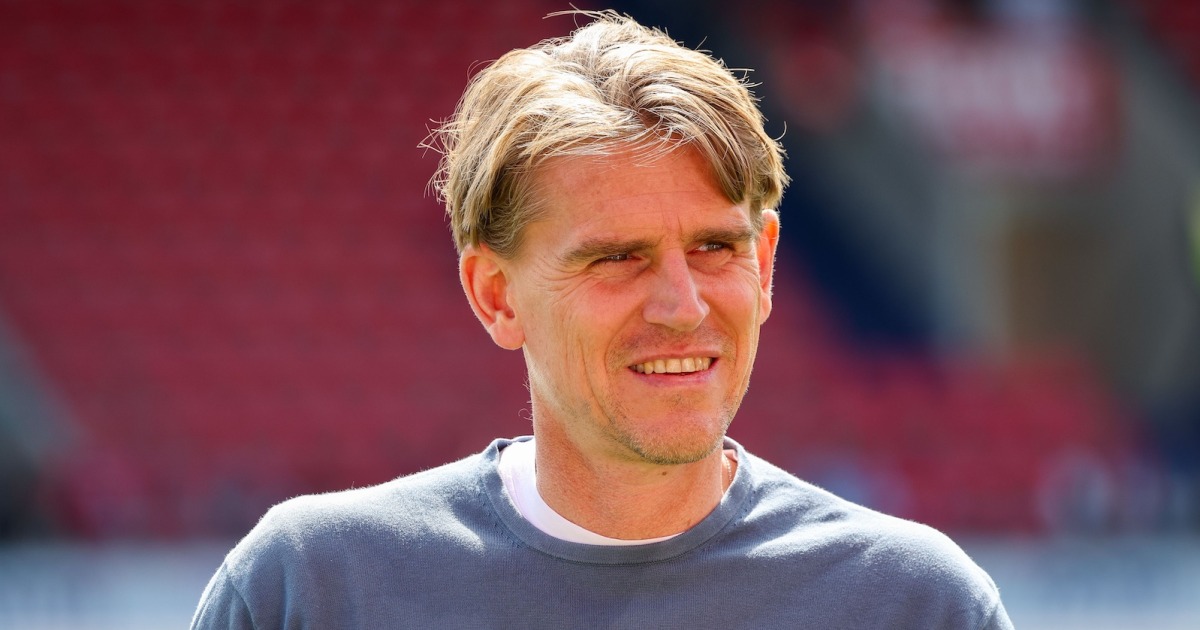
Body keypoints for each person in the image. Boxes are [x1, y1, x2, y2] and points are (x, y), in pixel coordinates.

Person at [191, 11, 1013, 629]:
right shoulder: (313, 589)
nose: (683, 306)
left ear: (765, 265)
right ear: (495, 295)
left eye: (715, 248)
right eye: (617, 257)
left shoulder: (914, 604)